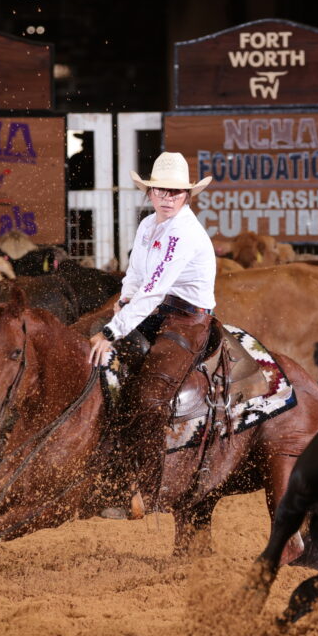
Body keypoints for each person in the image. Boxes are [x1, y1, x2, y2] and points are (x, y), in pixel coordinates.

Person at [88, 151, 216, 515]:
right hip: (157, 312)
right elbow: (136, 276)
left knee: (149, 395)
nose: (168, 197)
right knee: (103, 365)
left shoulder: (184, 232)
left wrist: (112, 330)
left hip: (188, 320)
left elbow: (155, 287)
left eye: (176, 192)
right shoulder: (148, 225)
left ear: (187, 195)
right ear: (150, 193)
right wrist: (123, 301)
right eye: (161, 190)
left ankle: (149, 488)